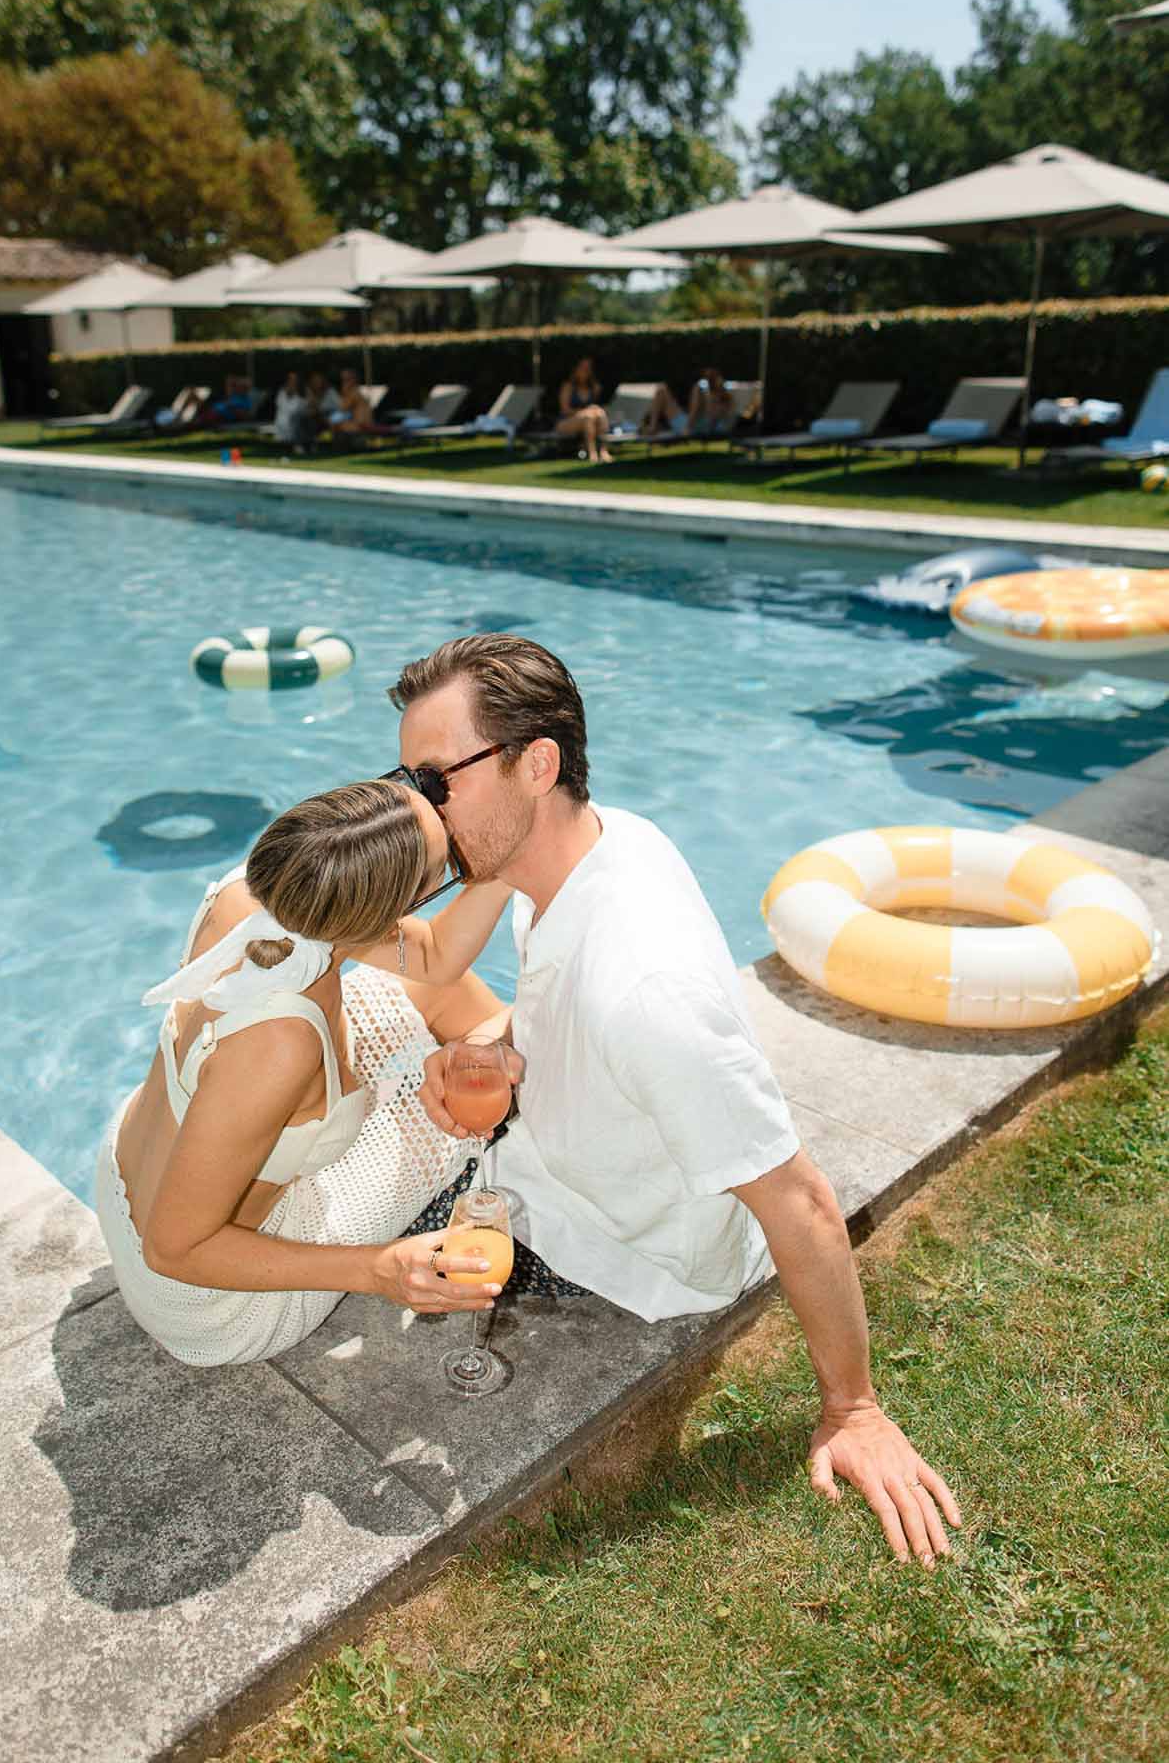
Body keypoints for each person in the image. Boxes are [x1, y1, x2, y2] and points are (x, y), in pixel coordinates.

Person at [393, 635, 961, 1567]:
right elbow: (566, 1015)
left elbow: (799, 1201)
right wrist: (495, 1051)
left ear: (536, 765)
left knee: (344, 1229)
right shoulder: (595, 848)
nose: (418, 806)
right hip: (552, 1162)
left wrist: (852, 1411)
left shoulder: (643, 987)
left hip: (617, 1244)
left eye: (434, 777)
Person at [95, 779, 515, 1366]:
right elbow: (175, 1248)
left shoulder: (257, 893)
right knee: (458, 1113)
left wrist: (506, 859)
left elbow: (434, 959)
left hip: (128, 1177)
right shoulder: (279, 1045)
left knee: (445, 1008)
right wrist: (380, 1271)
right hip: (206, 1299)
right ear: (386, 911)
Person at [555, 356, 612, 464]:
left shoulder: (594, 387)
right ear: (576, 369)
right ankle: (592, 453)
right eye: (583, 367)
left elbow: (598, 406)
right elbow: (565, 409)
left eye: (588, 368)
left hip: (590, 419)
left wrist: (593, 409)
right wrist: (585, 411)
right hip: (566, 421)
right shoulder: (568, 386)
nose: (586, 370)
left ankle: (604, 451)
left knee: (600, 413)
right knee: (588, 416)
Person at [330, 366, 378, 438]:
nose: (344, 383)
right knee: (336, 421)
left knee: (334, 424)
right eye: (343, 380)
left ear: (354, 379)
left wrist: (344, 392)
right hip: (363, 424)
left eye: (347, 380)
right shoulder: (357, 392)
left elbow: (342, 408)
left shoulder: (354, 393)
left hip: (361, 426)